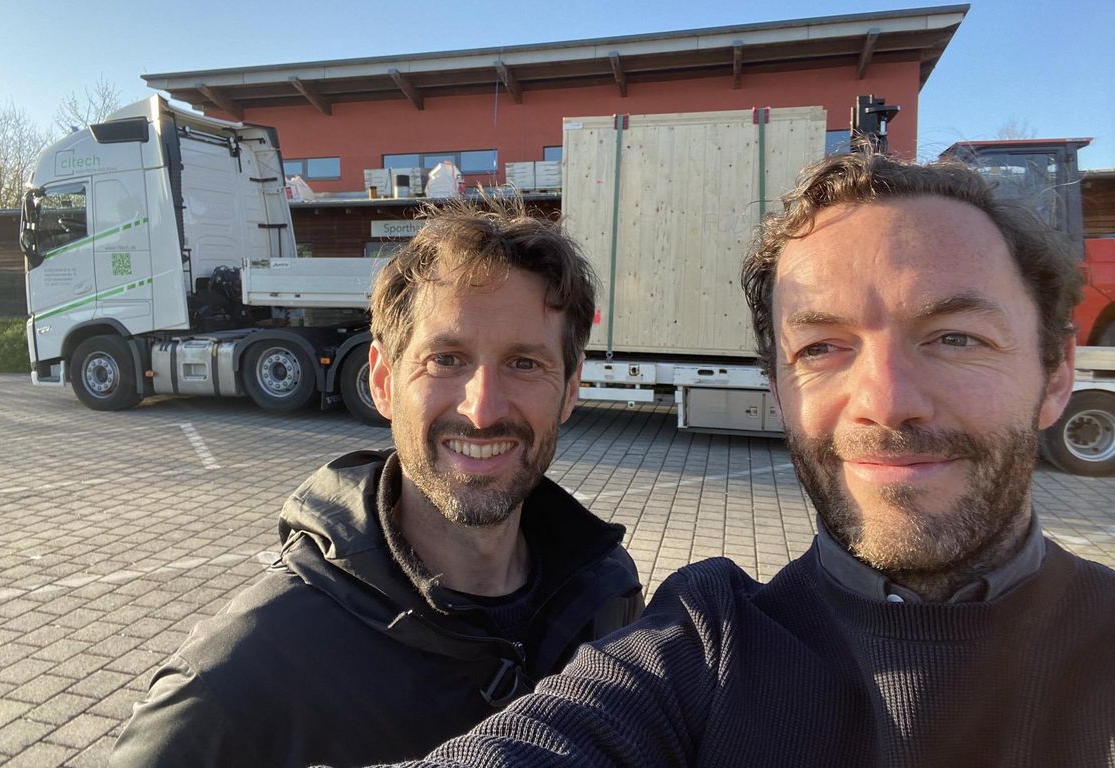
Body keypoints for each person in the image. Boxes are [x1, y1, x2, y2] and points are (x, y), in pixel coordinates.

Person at [376, 152, 1115, 767]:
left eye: (955, 338)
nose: (887, 403)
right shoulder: (704, 646)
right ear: (778, 388)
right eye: (822, 347)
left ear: (1056, 374)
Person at [109, 198, 644, 768]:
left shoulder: (608, 597)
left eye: (524, 364)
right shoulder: (238, 679)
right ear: (384, 382)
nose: (482, 409)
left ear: (569, 391)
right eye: (446, 359)